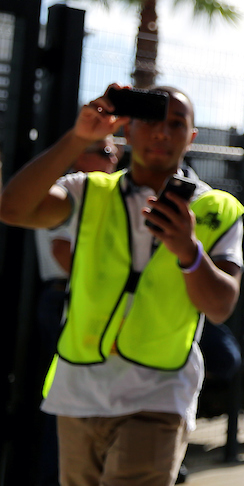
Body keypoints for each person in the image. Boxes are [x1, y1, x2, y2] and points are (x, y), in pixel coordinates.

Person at [0, 85, 244, 486]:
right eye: (150, 121)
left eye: (176, 124)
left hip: (158, 397)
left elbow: (220, 307)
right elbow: (12, 208)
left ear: (192, 137)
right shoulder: (88, 190)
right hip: (77, 394)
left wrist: (189, 251)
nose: (162, 133)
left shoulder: (216, 209)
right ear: (127, 130)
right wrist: (79, 137)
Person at [32, 135, 122, 486]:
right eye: (103, 151)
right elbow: (61, 251)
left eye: (115, 151)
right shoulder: (71, 193)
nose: (113, 157)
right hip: (66, 299)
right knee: (71, 397)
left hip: (73, 298)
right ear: (78, 158)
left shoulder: (95, 192)